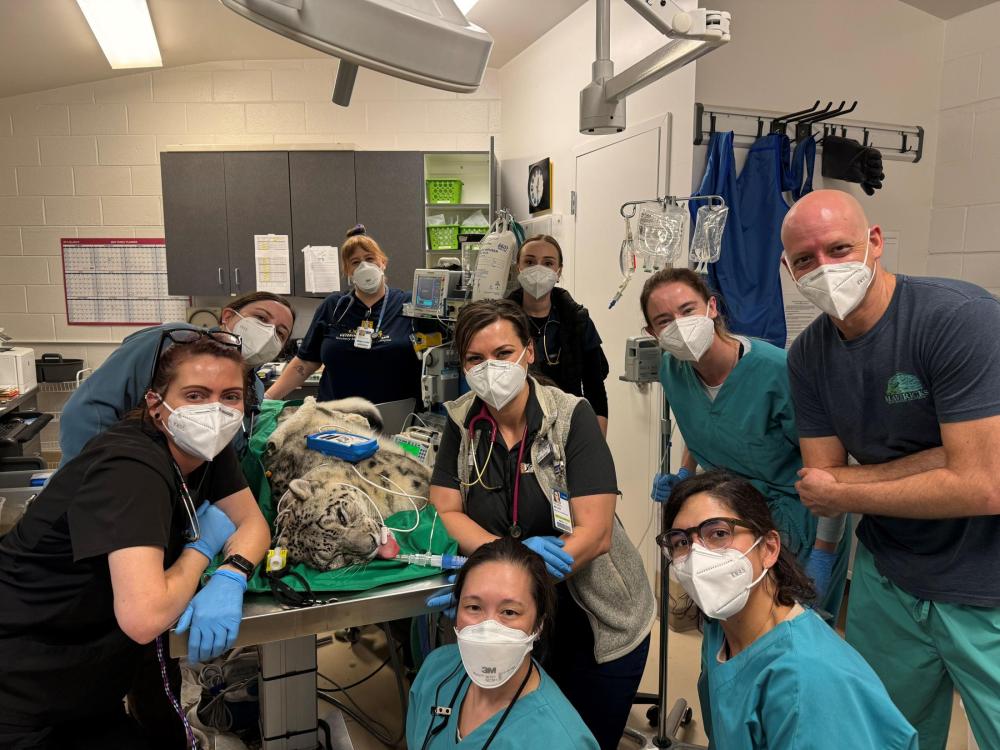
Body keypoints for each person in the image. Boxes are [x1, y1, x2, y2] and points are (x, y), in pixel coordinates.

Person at [781, 188, 1000, 750]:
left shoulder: (957, 319)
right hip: (890, 576)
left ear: (875, 243)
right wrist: (943, 462)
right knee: (885, 735)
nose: (824, 269)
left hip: (985, 582)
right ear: (788, 268)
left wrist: (852, 487)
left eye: (839, 248)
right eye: (805, 260)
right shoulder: (809, 355)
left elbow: (983, 485)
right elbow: (818, 480)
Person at [0, 333, 271, 748]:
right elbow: (145, 616)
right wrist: (200, 554)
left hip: (90, 671)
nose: (214, 410)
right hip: (26, 684)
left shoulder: (206, 450)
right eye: (195, 395)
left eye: (230, 396)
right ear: (155, 404)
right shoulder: (130, 469)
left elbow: (252, 523)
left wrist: (231, 575)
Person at [427, 299, 654, 750]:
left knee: (579, 738)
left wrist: (511, 573)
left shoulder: (571, 416)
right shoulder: (462, 419)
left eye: (503, 353)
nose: (490, 368)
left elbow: (596, 532)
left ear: (528, 352)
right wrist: (506, 559)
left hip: (593, 619)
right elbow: (447, 509)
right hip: (511, 617)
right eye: (476, 358)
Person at [639, 268, 848, 619]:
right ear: (652, 332)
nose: (678, 325)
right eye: (664, 320)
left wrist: (824, 553)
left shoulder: (777, 371)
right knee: (730, 625)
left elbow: (832, 471)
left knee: (789, 634)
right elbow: (700, 423)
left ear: (712, 307)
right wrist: (684, 474)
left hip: (803, 522)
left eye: (687, 310)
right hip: (731, 518)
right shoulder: (672, 370)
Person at [661, 470, 917, 749]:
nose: (698, 557)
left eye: (719, 534)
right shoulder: (719, 631)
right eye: (681, 543)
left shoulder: (807, 679)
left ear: (769, 548)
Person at [60, 290, 295, 464]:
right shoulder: (173, 342)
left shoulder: (254, 387)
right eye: (261, 319)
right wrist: (93, 472)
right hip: (119, 472)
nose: (267, 332)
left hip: (184, 493)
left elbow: (229, 451)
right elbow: (87, 410)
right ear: (228, 316)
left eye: (280, 333)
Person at [407, 536, 598, 749]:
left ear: (538, 625)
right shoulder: (436, 671)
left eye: (509, 612)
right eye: (474, 607)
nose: (488, 628)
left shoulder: (560, 741)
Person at [266, 224, 422, 405]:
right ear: (348, 271)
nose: (364, 266)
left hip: (394, 417)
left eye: (370, 258)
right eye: (355, 262)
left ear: (383, 263)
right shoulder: (333, 307)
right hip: (335, 418)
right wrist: (266, 399)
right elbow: (306, 362)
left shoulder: (409, 305)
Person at [507, 234, 610, 434]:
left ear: (558, 270)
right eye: (529, 262)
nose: (538, 269)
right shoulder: (502, 322)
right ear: (518, 267)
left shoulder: (578, 321)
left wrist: (598, 445)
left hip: (568, 423)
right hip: (515, 425)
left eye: (548, 263)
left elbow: (595, 389)